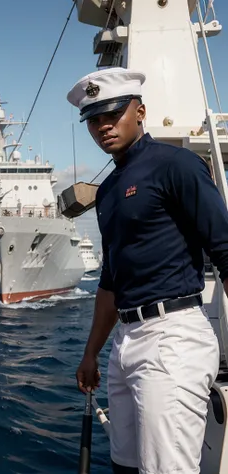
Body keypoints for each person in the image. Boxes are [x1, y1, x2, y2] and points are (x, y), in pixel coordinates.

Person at [67, 67, 228, 474]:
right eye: (94, 119)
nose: (103, 126)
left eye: (113, 114)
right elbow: (110, 280)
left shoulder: (177, 165)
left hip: (173, 336)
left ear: (140, 111)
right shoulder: (107, 191)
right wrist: (91, 353)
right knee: (125, 464)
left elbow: (225, 249)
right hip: (125, 340)